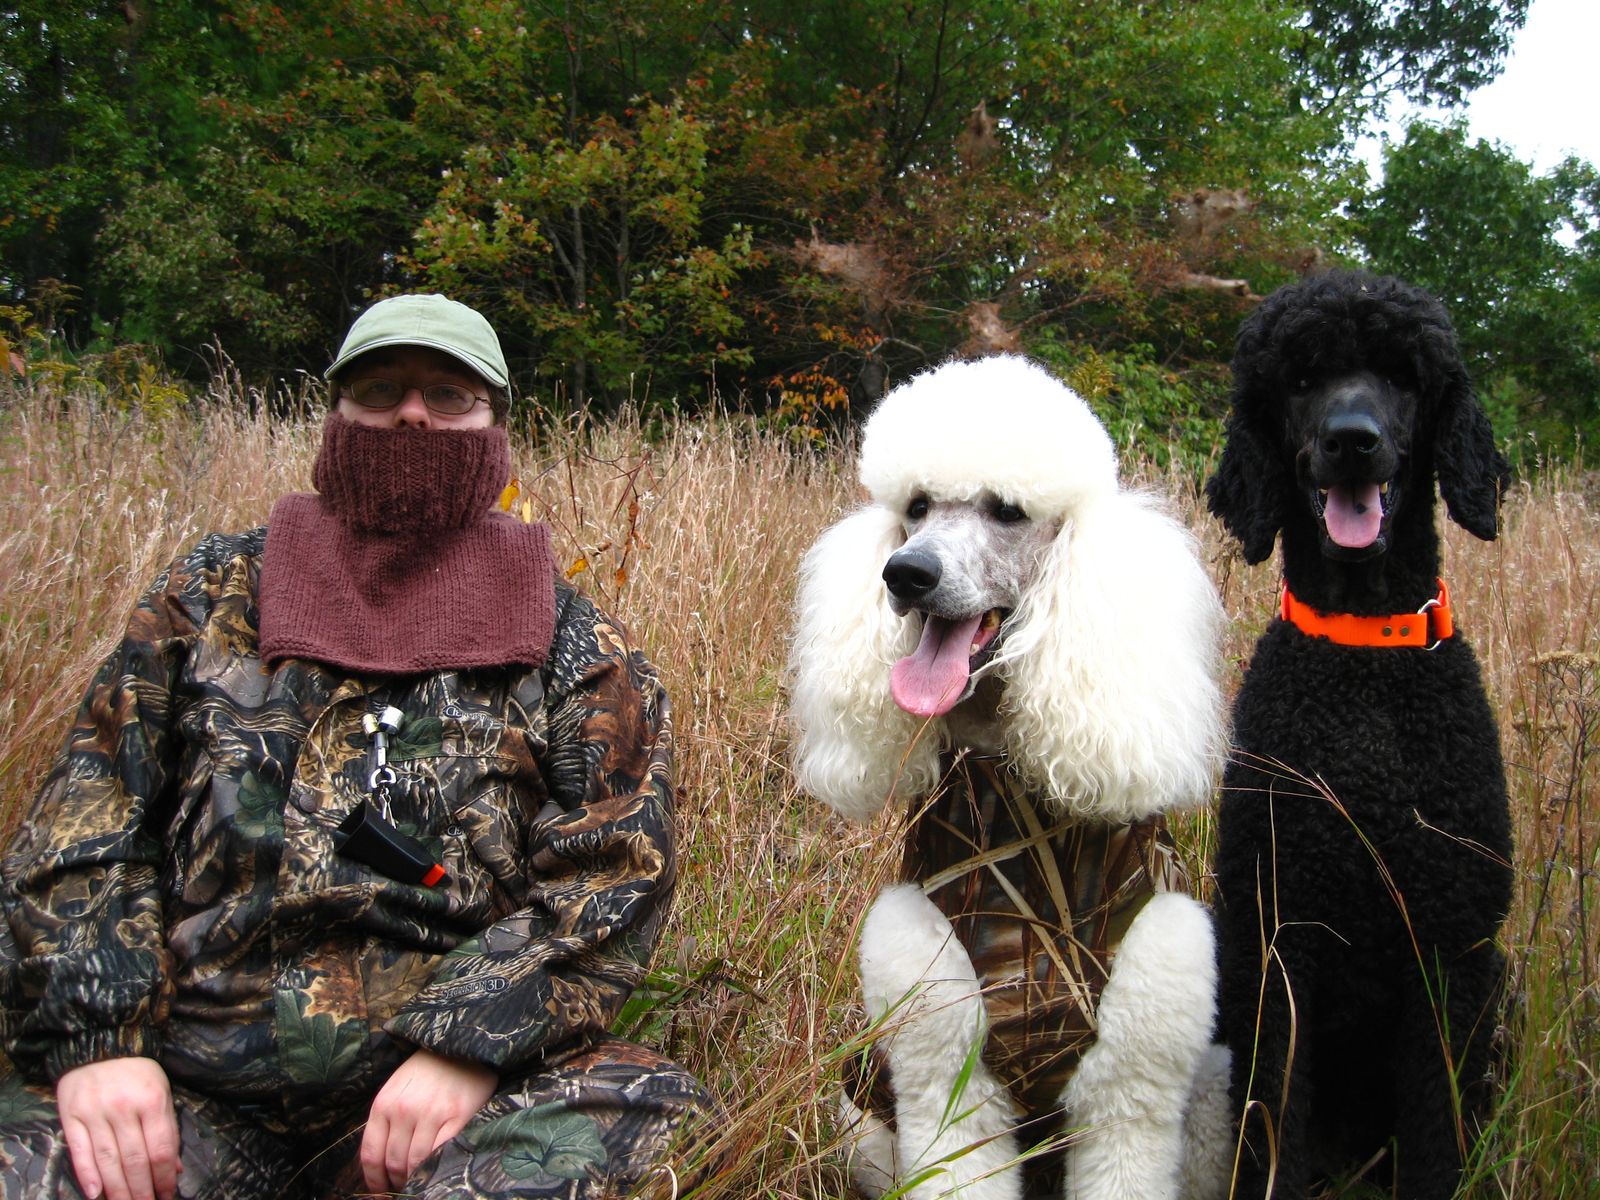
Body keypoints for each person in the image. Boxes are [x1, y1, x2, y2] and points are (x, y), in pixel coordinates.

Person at [0, 294, 709, 1200]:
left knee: (649, 1111)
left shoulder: (574, 643)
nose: (413, 412)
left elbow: (616, 876)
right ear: (335, 416)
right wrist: (99, 1045)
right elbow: (81, 825)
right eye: (381, 389)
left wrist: (468, 1043)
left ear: (495, 427)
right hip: (183, 1089)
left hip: (442, 1110)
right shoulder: (210, 595)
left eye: (450, 395)